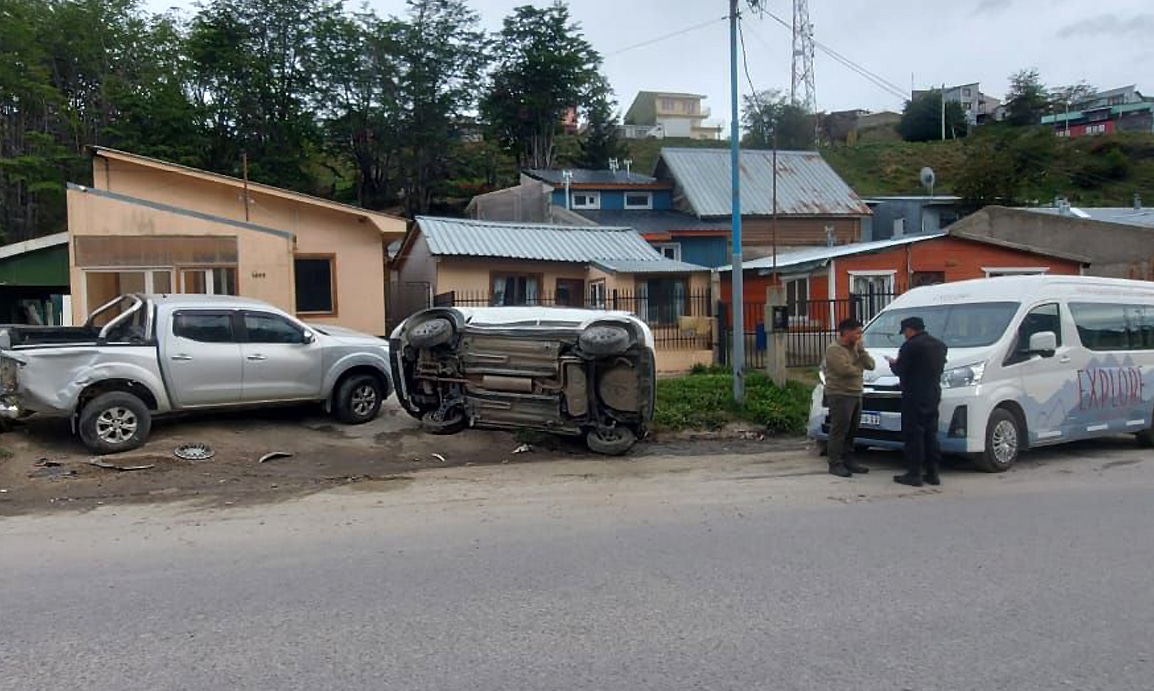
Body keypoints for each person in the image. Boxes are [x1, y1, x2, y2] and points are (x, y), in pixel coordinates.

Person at [885, 317, 948, 487]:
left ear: (910, 330)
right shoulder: (939, 345)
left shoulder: (910, 346)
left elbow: (901, 370)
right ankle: (933, 473)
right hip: (933, 393)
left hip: (914, 394)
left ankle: (914, 473)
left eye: (905, 332)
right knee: (930, 433)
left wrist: (893, 363)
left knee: (914, 434)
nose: (905, 335)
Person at [822, 318, 875, 478]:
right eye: (857, 333)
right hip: (840, 394)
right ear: (846, 332)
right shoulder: (834, 349)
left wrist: (862, 352)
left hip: (856, 392)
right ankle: (835, 463)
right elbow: (845, 371)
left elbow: (871, 365)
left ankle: (848, 459)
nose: (860, 336)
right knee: (839, 429)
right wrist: (859, 367)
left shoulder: (856, 348)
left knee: (852, 429)